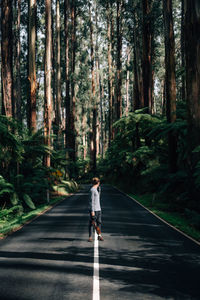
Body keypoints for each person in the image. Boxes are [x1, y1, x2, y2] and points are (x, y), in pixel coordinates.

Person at [88, 177, 104, 242]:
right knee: (92, 223)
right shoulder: (92, 190)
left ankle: (99, 236)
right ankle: (90, 237)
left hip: (99, 209)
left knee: (99, 222)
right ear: (98, 182)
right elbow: (91, 201)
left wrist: (99, 190)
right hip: (94, 210)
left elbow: (98, 198)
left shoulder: (97, 189)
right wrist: (92, 211)